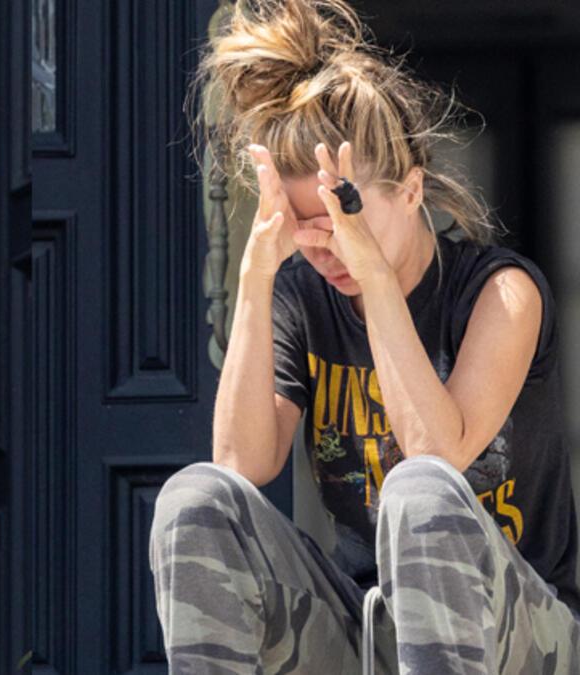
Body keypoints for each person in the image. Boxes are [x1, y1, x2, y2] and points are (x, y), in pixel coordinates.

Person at [149, 0, 580, 672]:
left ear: (410, 191)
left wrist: (375, 276)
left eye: (343, 218)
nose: (328, 246)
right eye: (307, 224)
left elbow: (437, 453)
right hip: (369, 622)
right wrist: (258, 272)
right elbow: (242, 461)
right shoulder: (303, 295)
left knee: (421, 489)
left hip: (520, 630)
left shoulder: (501, 294)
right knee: (196, 500)